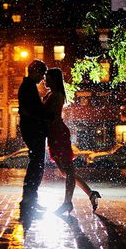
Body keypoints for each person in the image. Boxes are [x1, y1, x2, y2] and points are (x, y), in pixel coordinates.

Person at [43, 67, 101, 215]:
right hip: (54, 135)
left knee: (68, 171)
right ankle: (91, 194)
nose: (44, 79)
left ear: (54, 79)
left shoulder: (57, 95)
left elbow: (49, 116)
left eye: (47, 77)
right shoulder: (51, 94)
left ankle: (67, 203)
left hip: (58, 134)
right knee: (65, 172)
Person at [18, 59, 50, 218]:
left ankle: (30, 200)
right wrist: (43, 118)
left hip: (33, 130)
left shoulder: (28, 87)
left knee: (36, 165)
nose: (43, 78)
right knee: (36, 166)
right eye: (42, 74)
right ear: (35, 71)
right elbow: (27, 110)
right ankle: (28, 201)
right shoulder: (27, 87)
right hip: (33, 130)